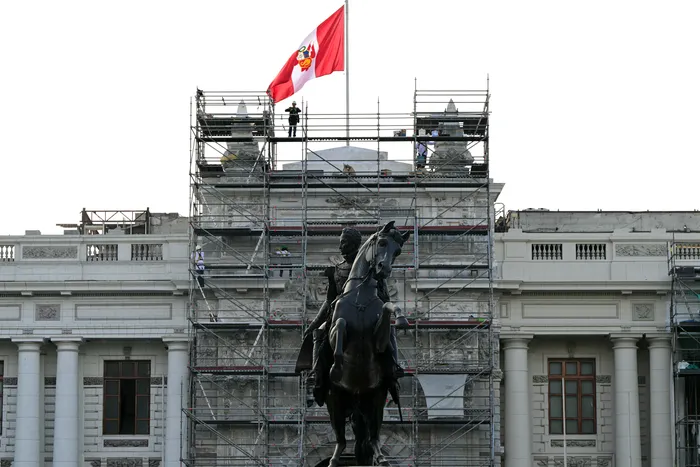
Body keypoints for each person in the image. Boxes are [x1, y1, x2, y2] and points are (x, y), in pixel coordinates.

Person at [304, 227, 409, 406]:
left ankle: (393, 370)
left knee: (389, 330)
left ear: (353, 244)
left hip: (368, 313)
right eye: (340, 243)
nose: (340, 247)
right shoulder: (336, 270)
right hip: (339, 313)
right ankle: (316, 375)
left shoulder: (373, 268)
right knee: (319, 333)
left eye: (344, 242)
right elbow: (329, 300)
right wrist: (315, 323)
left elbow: (385, 297)